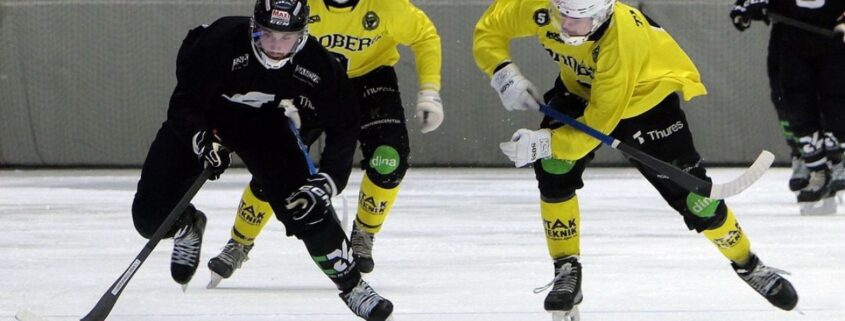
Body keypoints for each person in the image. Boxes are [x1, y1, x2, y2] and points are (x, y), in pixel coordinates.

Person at [472, 0, 798, 319]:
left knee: (700, 203)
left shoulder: (622, 40)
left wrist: (543, 142)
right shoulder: (543, 9)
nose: (565, 26)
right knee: (555, 168)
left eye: (577, 20)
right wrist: (503, 75)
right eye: (562, 15)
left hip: (646, 101)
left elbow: (593, 129)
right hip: (581, 91)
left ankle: (749, 264)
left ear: (601, 16)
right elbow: (488, 30)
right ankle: (566, 268)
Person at [130, 0, 393, 319]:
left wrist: (327, 182)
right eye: (268, 36)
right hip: (206, 115)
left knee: (305, 203)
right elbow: (185, 103)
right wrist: (201, 138)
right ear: (254, 29)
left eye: (287, 38)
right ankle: (187, 224)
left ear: (303, 35)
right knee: (148, 217)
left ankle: (353, 286)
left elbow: (344, 120)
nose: (277, 47)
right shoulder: (220, 41)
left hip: (260, 123)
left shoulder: (315, 61)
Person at [206, 0, 443, 286]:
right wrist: (275, 96)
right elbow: (266, 41)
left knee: (389, 157)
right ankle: (240, 241)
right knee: (275, 162)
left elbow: (425, 36)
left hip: (371, 79)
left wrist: (430, 91)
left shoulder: (388, 6)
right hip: (313, 78)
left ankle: (364, 233)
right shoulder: (299, 4)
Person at [730, 0, 845, 215]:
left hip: (834, 40)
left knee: (837, 103)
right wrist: (746, 6)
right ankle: (812, 164)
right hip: (791, 40)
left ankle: (836, 159)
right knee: (793, 101)